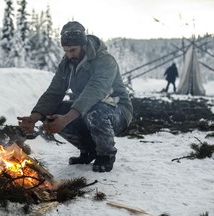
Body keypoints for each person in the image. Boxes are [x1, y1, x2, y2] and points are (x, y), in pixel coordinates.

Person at [17, 21, 133, 173]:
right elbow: (54, 92)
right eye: (66, 51)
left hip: (117, 111)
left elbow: (94, 91)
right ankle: (89, 150)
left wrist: (66, 118)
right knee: (52, 112)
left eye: (73, 50)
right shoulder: (67, 63)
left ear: (84, 45)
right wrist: (35, 116)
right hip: (86, 109)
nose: (69, 55)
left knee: (94, 112)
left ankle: (106, 155)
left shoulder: (105, 61)